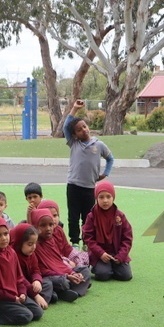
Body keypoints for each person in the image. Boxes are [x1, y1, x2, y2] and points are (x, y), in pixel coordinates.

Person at [63, 99, 114, 246]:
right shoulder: (74, 143)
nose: (83, 130)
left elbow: (110, 159)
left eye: (84, 126)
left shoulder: (99, 145)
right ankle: (74, 242)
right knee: (73, 216)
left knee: (88, 217)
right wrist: (74, 108)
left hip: (90, 187)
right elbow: (66, 126)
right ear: (75, 135)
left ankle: (87, 241)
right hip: (73, 186)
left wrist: (105, 174)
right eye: (79, 130)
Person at [0, 217, 43, 325]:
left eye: (5, 233)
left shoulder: (11, 253)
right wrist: (13, 298)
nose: (4, 238)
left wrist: (22, 292)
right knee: (26, 316)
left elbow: (19, 278)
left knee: (37, 312)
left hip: (14, 295)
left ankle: (12, 307)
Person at [30, 209, 91, 302]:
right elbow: (41, 271)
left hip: (62, 272)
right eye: (43, 225)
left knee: (85, 271)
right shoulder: (34, 245)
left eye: (51, 225)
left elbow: (59, 262)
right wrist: (66, 275)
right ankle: (68, 290)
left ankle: (71, 292)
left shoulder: (52, 240)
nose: (48, 228)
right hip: (50, 276)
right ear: (35, 226)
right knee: (63, 282)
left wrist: (73, 273)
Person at [81, 180, 133, 281]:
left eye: (108, 197)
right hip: (99, 254)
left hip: (117, 252)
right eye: (101, 197)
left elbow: (127, 237)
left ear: (113, 198)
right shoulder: (91, 216)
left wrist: (121, 255)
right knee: (103, 275)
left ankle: (113, 266)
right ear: (96, 198)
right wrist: (101, 253)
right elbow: (88, 237)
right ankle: (102, 267)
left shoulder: (120, 216)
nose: (105, 200)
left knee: (125, 276)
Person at [10, 223, 52, 307]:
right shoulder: (13, 256)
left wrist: (37, 280)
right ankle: (39, 299)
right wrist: (35, 295)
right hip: (20, 286)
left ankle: (40, 299)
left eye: (35, 243)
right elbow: (20, 279)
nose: (33, 247)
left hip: (30, 283)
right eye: (30, 244)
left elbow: (36, 270)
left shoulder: (31, 254)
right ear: (19, 243)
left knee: (48, 283)